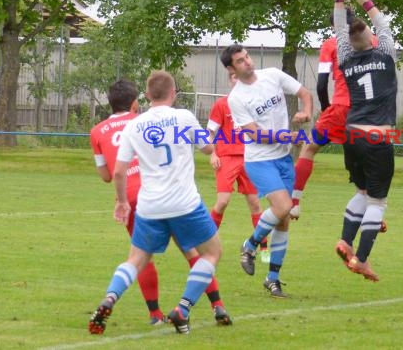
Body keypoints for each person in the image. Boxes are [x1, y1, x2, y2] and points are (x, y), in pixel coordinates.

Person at [89, 79, 231, 330]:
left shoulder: (136, 125)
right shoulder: (184, 117)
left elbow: (118, 173)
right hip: (184, 203)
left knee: (136, 260)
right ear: (173, 93)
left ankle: (111, 297)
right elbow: (208, 148)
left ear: (146, 95)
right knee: (210, 253)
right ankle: (184, 308)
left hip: (149, 205)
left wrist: (122, 202)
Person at [221, 44, 313, 298]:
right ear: (231, 69)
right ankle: (249, 245)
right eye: (240, 61)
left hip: (283, 158)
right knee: (283, 207)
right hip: (259, 160)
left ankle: (272, 279)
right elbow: (254, 134)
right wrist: (287, 134)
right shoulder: (236, 98)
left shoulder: (272, 74)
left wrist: (306, 112)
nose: (248, 62)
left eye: (247, 57)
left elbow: (305, 93)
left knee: (283, 221)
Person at [330, 0, 397, 282]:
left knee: (362, 190)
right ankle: (362, 259)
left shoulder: (344, 58)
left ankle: (345, 240)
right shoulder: (385, 54)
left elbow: (340, 31)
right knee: (377, 201)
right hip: (378, 135)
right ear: (371, 40)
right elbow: (383, 25)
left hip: (351, 134)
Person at [290, 8, 380, 222]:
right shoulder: (375, 41)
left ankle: (294, 203)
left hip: (340, 108)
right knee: (363, 161)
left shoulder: (331, 45)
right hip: (368, 112)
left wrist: (327, 108)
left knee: (309, 148)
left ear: (335, 27)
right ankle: (374, 210)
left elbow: (322, 84)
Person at [207, 71, 270, 263]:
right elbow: (210, 133)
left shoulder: (254, 104)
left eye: (240, 77)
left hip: (250, 158)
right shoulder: (221, 104)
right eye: (234, 77)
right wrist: (212, 153)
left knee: (255, 204)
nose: (237, 80)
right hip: (227, 158)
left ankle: (265, 249)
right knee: (223, 201)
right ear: (230, 80)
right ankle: (204, 242)